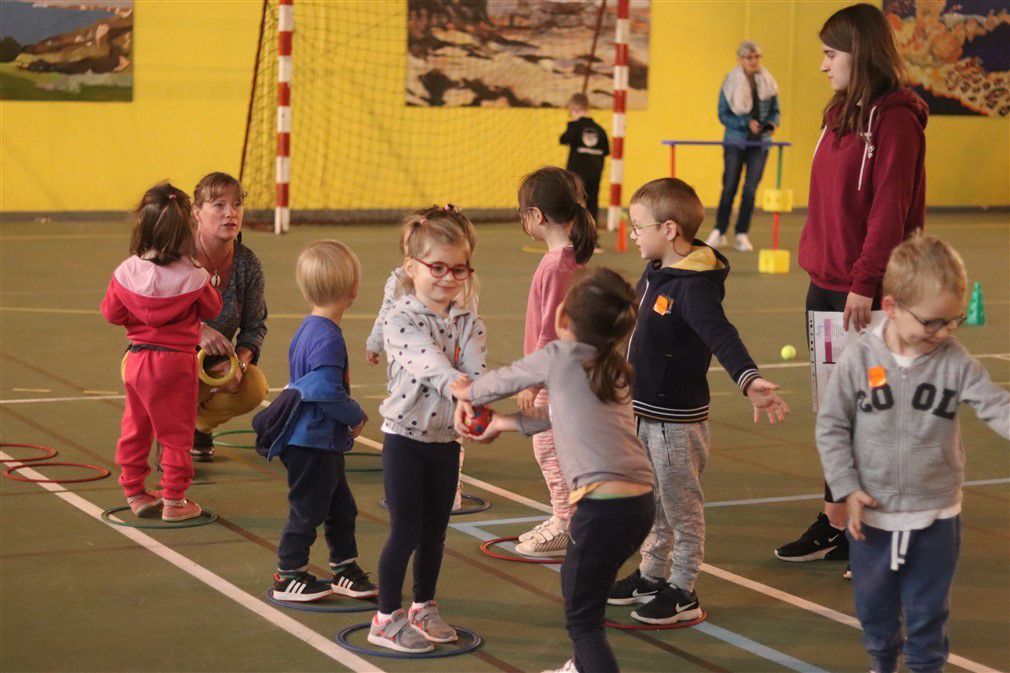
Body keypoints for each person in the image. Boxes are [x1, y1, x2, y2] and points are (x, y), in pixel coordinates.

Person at [776, 3, 929, 572]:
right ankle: (836, 522)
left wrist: (864, 284)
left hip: (870, 293)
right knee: (837, 415)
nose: (823, 66)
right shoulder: (840, 113)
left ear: (858, 55)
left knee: (877, 416)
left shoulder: (895, 120)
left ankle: (884, 531)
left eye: (830, 54)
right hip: (826, 285)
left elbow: (889, 209)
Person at [816, 234, 1009, 673]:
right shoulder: (860, 358)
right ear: (892, 307)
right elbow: (832, 425)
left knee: (927, 617)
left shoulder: (954, 361)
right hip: (873, 518)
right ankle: (881, 663)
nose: (944, 333)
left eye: (953, 321)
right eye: (932, 322)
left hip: (936, 516)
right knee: (875, 613)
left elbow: (998, 407)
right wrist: (846, 487)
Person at [452, 267, 655, 673]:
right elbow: (557, 415)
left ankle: (588, 664)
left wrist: (463, 391)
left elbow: (504, 381)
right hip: (640, 505)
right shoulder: (612, 367)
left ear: (563, 319)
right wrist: (504, 424)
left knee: (583, 619)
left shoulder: (559, 355)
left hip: (601, 510)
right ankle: (580, 667)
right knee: (583, 591)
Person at [608, 177, 789, 624]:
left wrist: (749, 380)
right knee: (654, 502)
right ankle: (652, 575)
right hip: (644, 413)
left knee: (681, 506)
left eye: (638, 226)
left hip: (676, 423)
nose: (633, 234)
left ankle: (683, 589)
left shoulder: (694, 287)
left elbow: (720, 335)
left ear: (669, 230)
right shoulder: (655, 272)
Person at [367, 208, 487, 654]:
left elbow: (475, 370)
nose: (448, 278)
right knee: (405, 529)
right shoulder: (401, 317)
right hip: (404, 440)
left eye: (459, 269)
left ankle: (423, 605)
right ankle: (385, 616)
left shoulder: (470, 322)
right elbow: (427, 362)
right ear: (412, 267)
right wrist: (461, 388)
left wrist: (476, 399)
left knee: (436, 531)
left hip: (446, 444)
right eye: (437, 267)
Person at [252, 240, 377, 603]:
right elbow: (321, 389)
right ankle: (288, 575)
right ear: (352, 289)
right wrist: (355, 415)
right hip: (311, 443)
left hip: (320, 441)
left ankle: (344, 569)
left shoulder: (309, 329)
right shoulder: (327, 337)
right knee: (307, 511)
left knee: (341, 509)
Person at [100, 182, 222, 522]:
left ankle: (135, 492)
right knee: (176, 434)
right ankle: (174, 499)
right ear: (186, 232)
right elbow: (213, 309)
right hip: (175, 363)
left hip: (137, 361)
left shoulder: (127, 272)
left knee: (136, 428)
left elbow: (111, 313)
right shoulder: (194, 276)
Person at [364, 204, 478, 512]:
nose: (447, 275)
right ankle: (404, 485)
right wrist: (375, 343)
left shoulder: (462, 291)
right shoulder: (398, 285)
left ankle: (451, 484)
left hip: (450, 372)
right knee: (410, 418)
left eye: (457, 267)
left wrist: (471, 385)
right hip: (409, 367)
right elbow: (386, 313)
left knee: (451, 427)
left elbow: (470, 336)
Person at [514, 166, 597, 557]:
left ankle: (568, 523)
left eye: (522, 211)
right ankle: (565, 516)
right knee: (556, 450)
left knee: (548, 449)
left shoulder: (555, 264)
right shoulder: (568, 258)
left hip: (557, 381)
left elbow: (549, 330)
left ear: (537, 216)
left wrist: (532, 383)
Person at [189, 172, 269, 461]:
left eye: (236, 205)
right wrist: (197, 330)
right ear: (197, 212)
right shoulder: (177, 257)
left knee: (254, 386)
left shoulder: (248, 264)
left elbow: (254, 327)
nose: (230, 213)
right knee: (179, 376)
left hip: (215, 364)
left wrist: (240, 364)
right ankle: (169, 433)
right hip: (164, 356)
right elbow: (153, 317)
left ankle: (199, 426)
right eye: (219, 205)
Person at [705, 40, 781, 253]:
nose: (754, 61)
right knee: (729, 186)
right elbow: (723, 114)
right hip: (736, 142)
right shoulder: (730, 81)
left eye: (757, 56)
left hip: (760, 144)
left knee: (750, 190)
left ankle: (741, 233)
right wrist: (745, 123)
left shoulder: (768, 80)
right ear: (740, 59)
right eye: (749, 57)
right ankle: (719, 231)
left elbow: (776, 109)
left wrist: (773, 123)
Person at [559, 93, 609, 227]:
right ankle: (592, 237)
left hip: (576, 174)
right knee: (592, 204)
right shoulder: (600, 130)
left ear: (575, 110)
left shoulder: (575, 127)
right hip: (595, 173)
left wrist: (573, 123)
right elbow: (606, 151)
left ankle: (572, 235)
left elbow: (563, 139)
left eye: (571, 112)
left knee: (573, 203)